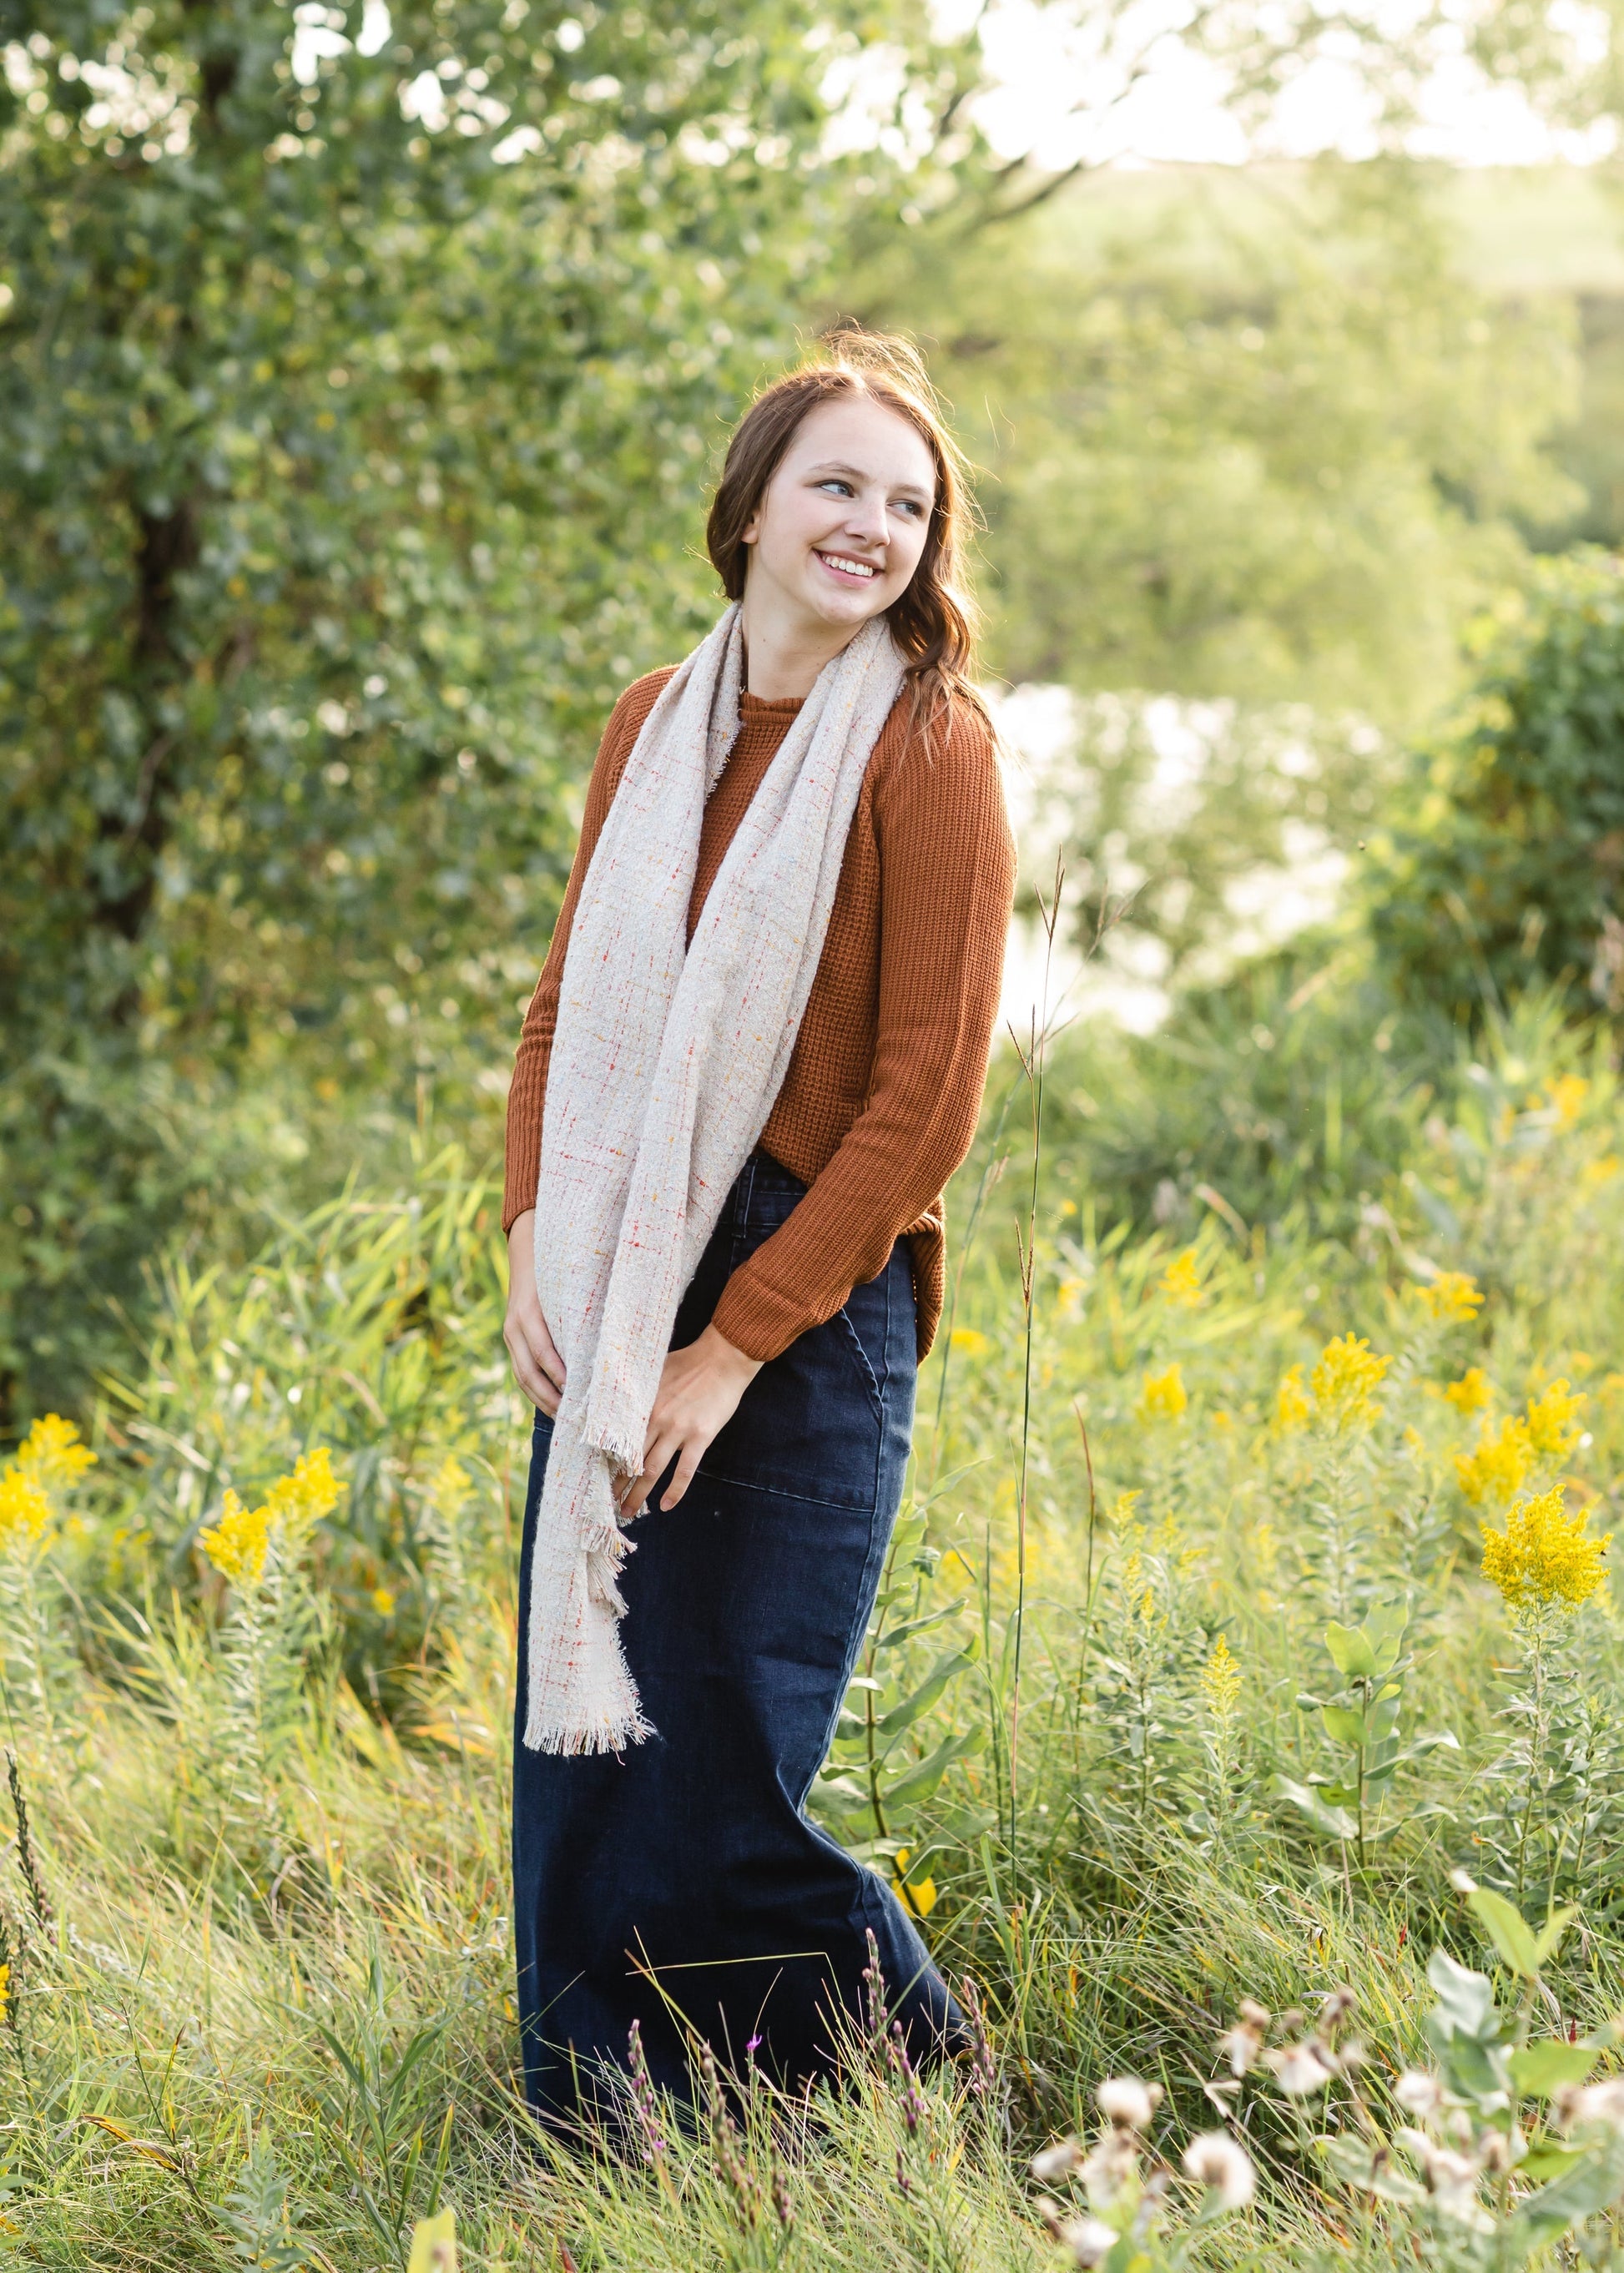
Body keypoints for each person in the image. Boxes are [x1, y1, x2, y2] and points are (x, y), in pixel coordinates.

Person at [501, 329, 1016, 2127]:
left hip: (809, 1292)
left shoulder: (929, 745)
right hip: (622, 1255)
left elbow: (926, 1090)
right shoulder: (654, 722)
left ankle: (927, 2115)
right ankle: (604, 2137)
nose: (871, 525)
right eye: (837, 486)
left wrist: (737, 1343)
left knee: (727, 1757)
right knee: (586, 1750)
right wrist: (523, 1239)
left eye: (907, 501)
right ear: (751, 508)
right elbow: (565, 1007)